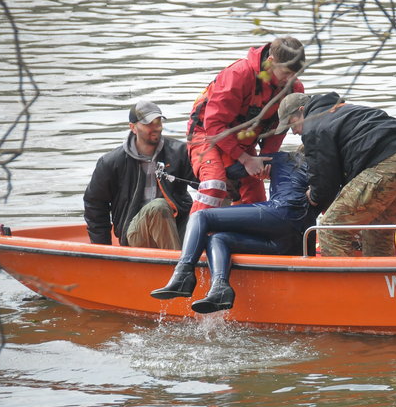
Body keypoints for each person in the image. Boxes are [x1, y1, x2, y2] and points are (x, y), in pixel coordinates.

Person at [149, 151, 318, 313]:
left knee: (201, 217)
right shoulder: (320, 172)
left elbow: (233, 171)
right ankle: (220, 289)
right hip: (296, 240)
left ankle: (183, 274)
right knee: (218, 239)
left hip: (281, 213)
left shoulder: (283, 157)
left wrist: (247, 163)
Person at [276, 91, 396, 257]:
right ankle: (376, 280)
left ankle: (341, 282)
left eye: (292, 124)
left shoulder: (313, 126)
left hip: (387, 166)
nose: (294, 132)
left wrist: (314, 195)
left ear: (302, 110)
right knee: (377, 233)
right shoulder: (343, 110)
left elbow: (325, 178)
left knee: (329, 229)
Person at [187, 37, 305, 213]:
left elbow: (278, 130)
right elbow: (213, 124)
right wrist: (246, 159)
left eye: (296, 74)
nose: (291, 79)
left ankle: (240, 238)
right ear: (271, 62)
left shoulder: (294, 88)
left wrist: (265, 160)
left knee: (256, 198)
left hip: (242, 139)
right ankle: (195, 236)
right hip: (206, 134)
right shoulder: (239, 74)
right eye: (286, 73)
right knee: (214, 185)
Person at [84, 99, 195, 248]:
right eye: (149, 124)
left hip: (176, 226)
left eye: (158, 122)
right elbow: (95, 205)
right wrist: (102, 250)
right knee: (158, 207)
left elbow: (204, 183)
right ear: (133, 128)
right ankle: (178, 267)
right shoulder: (111, 162)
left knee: (205, 208)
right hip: (136, 233)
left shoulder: (180, 152)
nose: (156, 128)